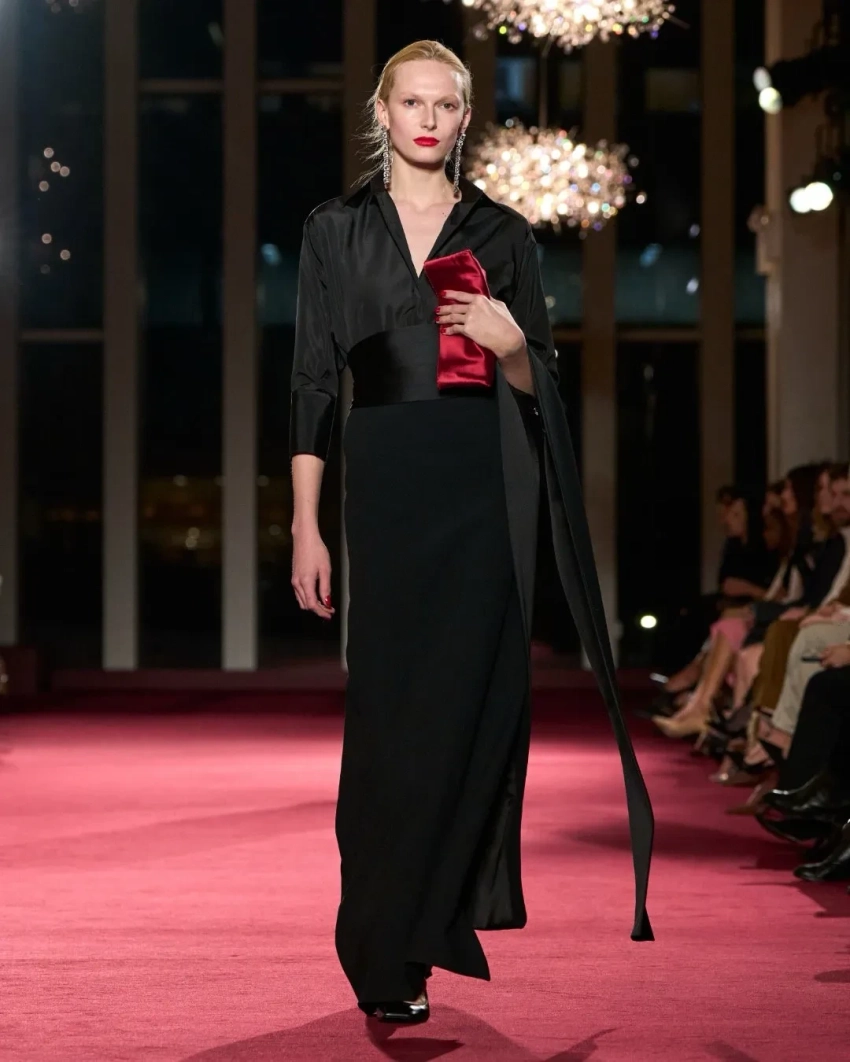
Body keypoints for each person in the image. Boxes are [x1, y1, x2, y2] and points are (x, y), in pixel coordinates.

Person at [288, 40, 653, 1025]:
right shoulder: (335, 229)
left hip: (481, 487)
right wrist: (305, 526)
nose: (427, 119)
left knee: (467, 711)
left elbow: (542, 382)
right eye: (410, 102)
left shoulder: (503, 231)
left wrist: (513, 347)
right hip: (386, 485)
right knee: (387, 720)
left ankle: (419, 937)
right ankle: (377, 937)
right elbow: (314, 381)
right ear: (381, 111)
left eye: (445, 105)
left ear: (463, 118)